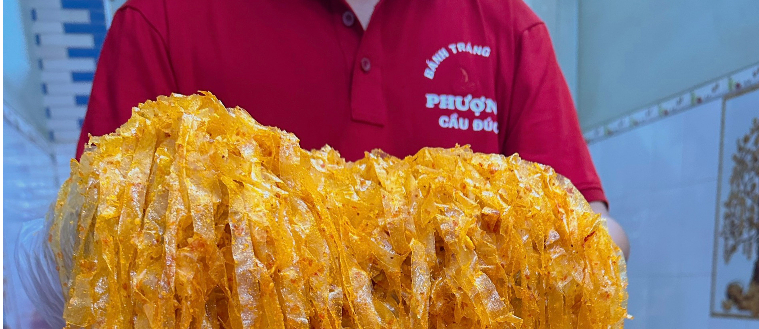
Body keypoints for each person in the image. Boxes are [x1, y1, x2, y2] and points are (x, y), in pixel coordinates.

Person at [79, 0, 627, 258]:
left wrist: (594, 249)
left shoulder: (506, 28)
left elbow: (588, 229)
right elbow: (95, 242)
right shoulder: (163, 20)